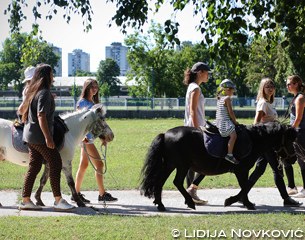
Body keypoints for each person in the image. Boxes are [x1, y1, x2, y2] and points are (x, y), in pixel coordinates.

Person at [19, 63, 75, 211]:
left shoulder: (35, 91)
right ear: (46, 76)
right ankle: (58, 200)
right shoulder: (43, 92)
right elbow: (41, 116)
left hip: (29, 136)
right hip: (39, 137)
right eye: (52, 74)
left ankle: (26, 200)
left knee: (35, 166)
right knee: (55, 162)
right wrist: (48, 138)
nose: (53, 77)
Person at [243, 78, 302, 207]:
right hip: (265, 142)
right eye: (267, 86)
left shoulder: (269, 102)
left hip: (269, 142)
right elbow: (256, 123)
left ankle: (242, 195)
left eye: (272, 86)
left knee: (260, 169)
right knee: (276, 169)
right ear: (262, 89)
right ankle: (286, 198)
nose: (270, 88)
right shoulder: (263, 103)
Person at [72, 78, 118, 204]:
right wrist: (85, 137)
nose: (95, 89)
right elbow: (80, 122)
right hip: (86, 139)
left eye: (96, 87)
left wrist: (103, 138)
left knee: (84, 165)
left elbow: (98, 123)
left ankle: (75, 193)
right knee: (99, 165)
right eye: (92, 86)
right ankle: (102, 194)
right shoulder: (82, 103)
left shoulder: (93, 102)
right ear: (86, 88)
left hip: (89, 139)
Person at [183, 62, 210, 205]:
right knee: (210, 159)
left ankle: (191, 192)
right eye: (207, 72)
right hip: (196, 129)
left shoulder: (191, 87)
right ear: (200, 72)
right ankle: (192, 190)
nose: (208, 75)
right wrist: (195, 130)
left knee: (190, 163)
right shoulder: (196, 88)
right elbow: (193, 110)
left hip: (192, 127)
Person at [284, 75, 305, 198]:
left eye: (289, 84)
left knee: (302, 160)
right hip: (297, 131)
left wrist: (290, 131)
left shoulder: (300, 98)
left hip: (300, 132)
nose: (287, 86)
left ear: (296, 84)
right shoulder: (296, 97)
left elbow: (298, 118)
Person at [214, 79, 239, 164]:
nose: (233, 93)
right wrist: (235, 122)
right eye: (232, 90)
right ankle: (229, 154)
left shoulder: (219, 98)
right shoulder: (227, 98)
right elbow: (230, 112)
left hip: (218, 122)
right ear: (228, 89)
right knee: (234, 136)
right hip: (225, 122)